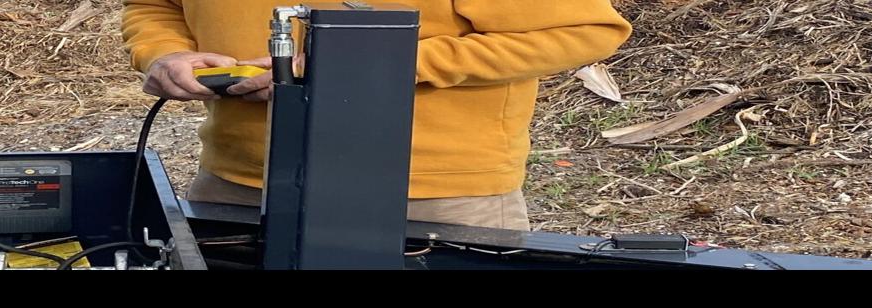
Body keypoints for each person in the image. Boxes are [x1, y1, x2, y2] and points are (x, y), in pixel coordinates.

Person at [123, 1, 631, 229]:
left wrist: (364, 61)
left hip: (428, 194)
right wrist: (163, 52)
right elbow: (155, 4)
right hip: (238, 182)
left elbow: (583, 29)